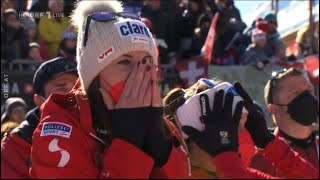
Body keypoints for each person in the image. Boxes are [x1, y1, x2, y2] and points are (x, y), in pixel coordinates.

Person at [29, 1, 189, 178]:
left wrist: (159, 142)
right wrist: (129, 144)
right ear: (94, 74)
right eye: (124, 61)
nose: (139, 73)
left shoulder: (161, 123)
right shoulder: (60, 129)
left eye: (147, 62)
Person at [163, 78, 319, 179]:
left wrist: (268, 141)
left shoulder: (241, 172)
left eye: (246, 125)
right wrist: (225, 158)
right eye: (232, 126)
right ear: (196, 135)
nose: (245, 134)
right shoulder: (175, 175)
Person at [1, 57, 78, 179]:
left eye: (79, 87)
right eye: (62, 88)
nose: (74, 95)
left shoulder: (100, 131)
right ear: (39, 100)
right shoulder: (14, 146)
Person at [250, 67, 319, 176]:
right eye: (295, 94)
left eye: (309, 90)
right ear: (274, 109)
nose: (307, 97)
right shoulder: (259, 160)